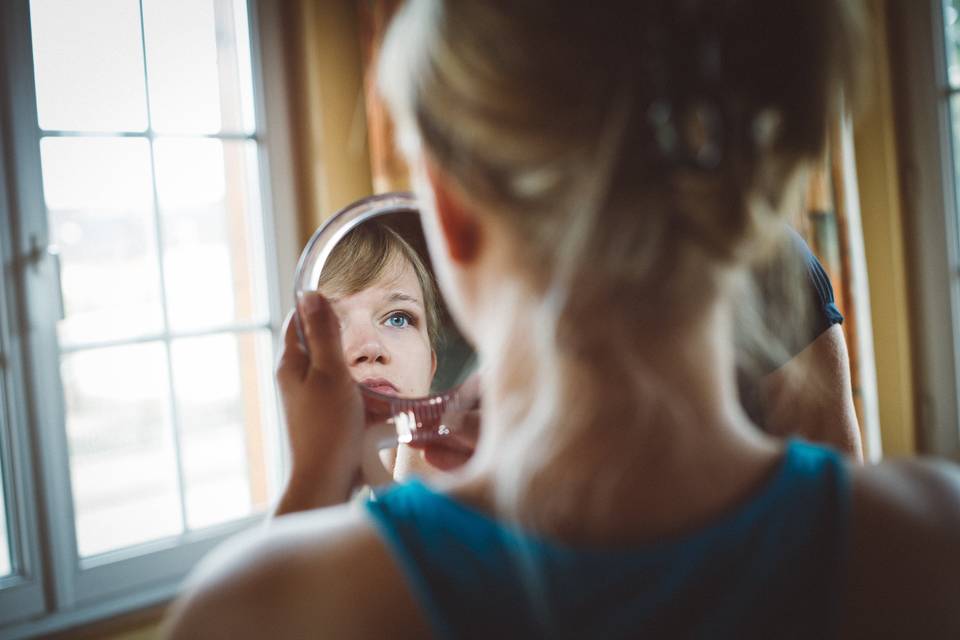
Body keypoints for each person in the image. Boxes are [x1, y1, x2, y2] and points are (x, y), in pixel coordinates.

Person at [166, 1, 960, 638]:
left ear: (447, 209)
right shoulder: (930, 546)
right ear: (759, 187)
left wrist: (316, 478)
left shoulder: (276, 605)